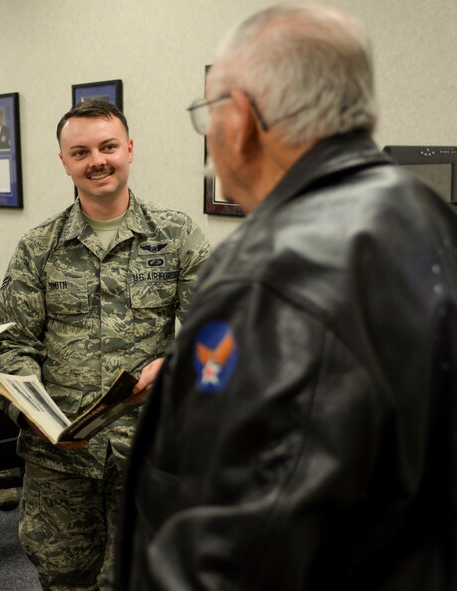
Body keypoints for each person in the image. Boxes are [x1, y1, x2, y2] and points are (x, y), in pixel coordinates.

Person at [113, 4, 457, 590]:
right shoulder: (424, 215)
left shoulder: (269, 272)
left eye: (207, 115)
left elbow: (240, 547)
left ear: (241, 119)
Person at [0, 99, 210, 590]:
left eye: (108, 146)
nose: (98, 160)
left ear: (129, 149)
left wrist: (174, 366)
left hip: (149, 449)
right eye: (81, 151)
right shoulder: (38, 247)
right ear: (64, 161)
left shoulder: (176, 236)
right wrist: (33, 410)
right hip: (59, 458)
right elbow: (11, 346)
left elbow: (216, 330)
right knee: (65, 577)